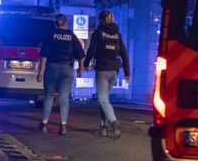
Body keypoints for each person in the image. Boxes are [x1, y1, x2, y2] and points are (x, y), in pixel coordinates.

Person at [83, 10, 130, 139]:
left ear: (100, 20)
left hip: (102, 70)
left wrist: (86, 64)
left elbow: (91, 50)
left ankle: (115, 122)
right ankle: (103, 128)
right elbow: (124, 54)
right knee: (105, 100)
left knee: (103, 100)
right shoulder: (117, 35)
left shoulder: (98, 33)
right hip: (114, 71)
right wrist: (127, 73)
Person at [37, 14, 85, 135]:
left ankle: (44, 124)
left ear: (56, 23)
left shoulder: (51, 34)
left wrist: (41, 71)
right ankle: (63, 126)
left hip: (52, 68)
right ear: (65, 23)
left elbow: (44, 55)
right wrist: (81, 68)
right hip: (67, 69)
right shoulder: (71, 36)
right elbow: (80, 53)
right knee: (64, 98)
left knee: (49, 96)